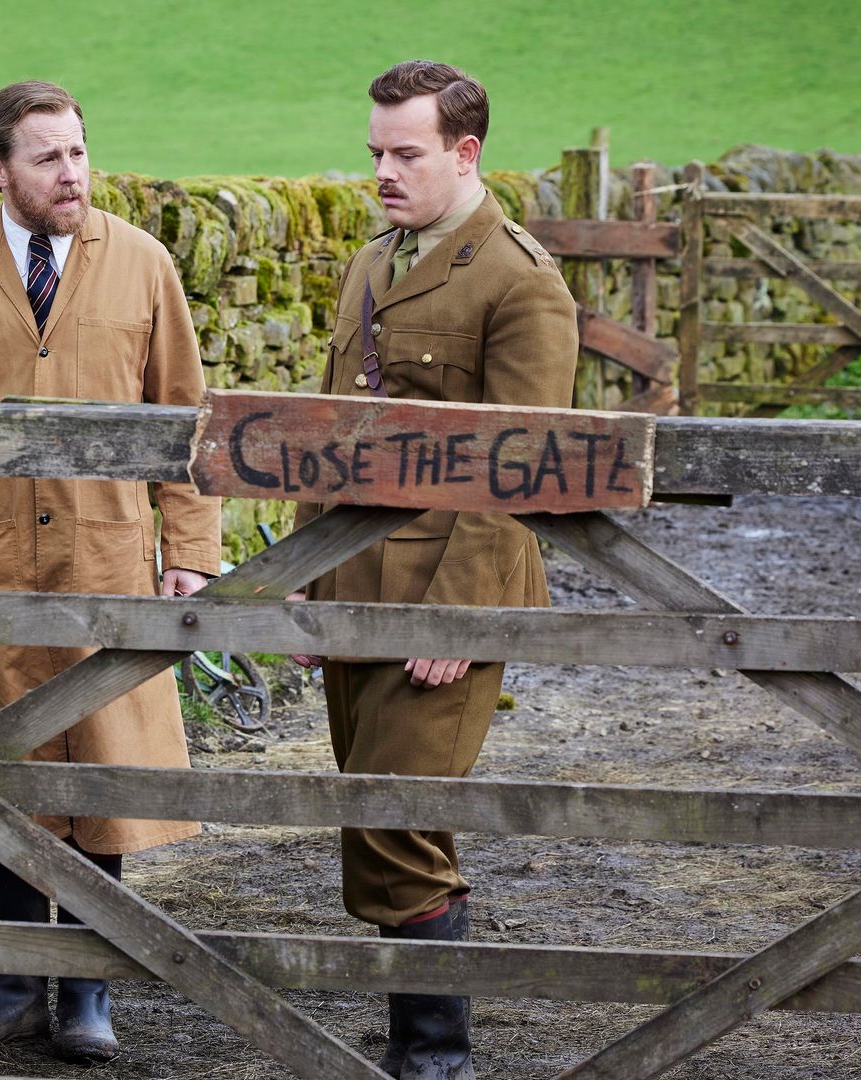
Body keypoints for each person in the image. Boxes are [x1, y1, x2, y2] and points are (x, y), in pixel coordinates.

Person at [0, 80, 221, 1065]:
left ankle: (87, 990)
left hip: (103, 565)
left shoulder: (145, 267)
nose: (72, 173)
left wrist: (190, 551)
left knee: (101, 773)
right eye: (48, 157)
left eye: (78, 152)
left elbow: (187, 422)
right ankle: (9, 986)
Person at [289, 60, 578, 1080]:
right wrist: (302, 567)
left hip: (448, 599)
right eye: (375, 152)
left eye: (405, 153)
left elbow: (519, 466)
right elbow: (331, 428)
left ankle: (436, 1060)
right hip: (353, 589)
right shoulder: (374, 265)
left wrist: (458, 618)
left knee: (399, 822)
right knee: (369, 817)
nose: (383, 171)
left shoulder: (519, 279)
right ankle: (415, 1033)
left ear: (466, 153)